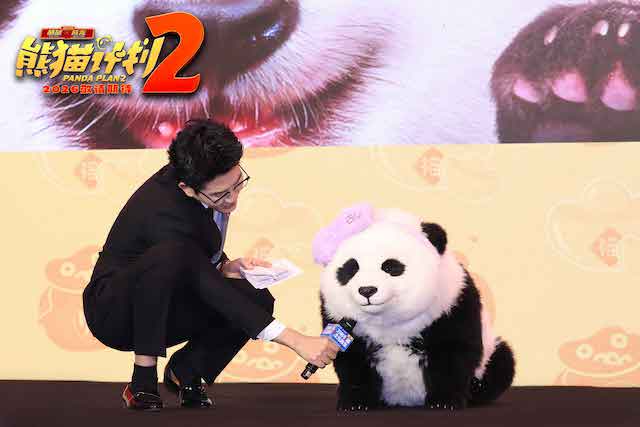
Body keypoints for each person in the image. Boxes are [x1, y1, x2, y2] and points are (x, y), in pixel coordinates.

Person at [82, 119, 339, 411]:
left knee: (255, 298)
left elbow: (194, 259)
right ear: (187, 188)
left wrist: (225, 266)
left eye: (237, 184)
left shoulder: (198, 177)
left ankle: (187, 370)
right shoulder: (163, 211)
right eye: (220, 195)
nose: (232, 199)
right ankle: (142, 381)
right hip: (116, 312)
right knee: (174, 256)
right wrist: (295, 340)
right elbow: (181, 261)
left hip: (166, 300)